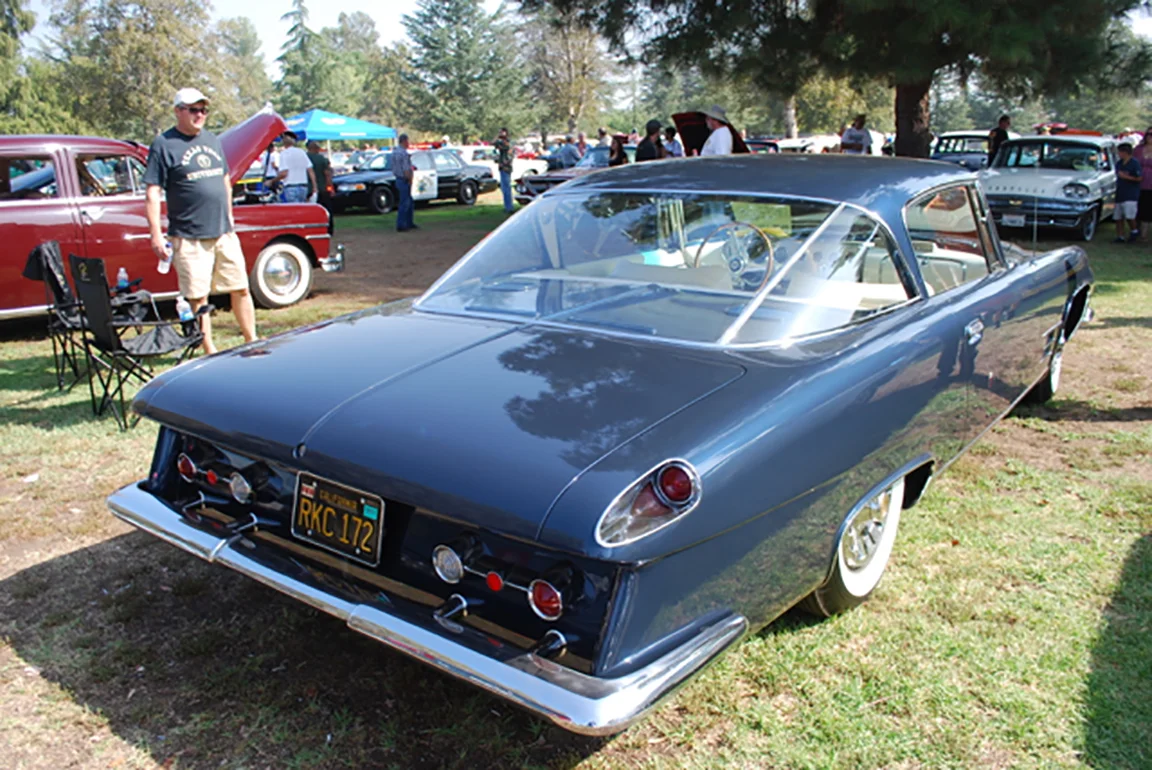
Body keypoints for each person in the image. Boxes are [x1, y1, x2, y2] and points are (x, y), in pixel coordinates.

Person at [144, 86, 257, 355]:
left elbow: (224, 180)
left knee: (240, 287)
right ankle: (210, 351)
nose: (200, 115)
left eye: (204, 110)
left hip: (223, 232)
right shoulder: (163, 144)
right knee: (198, 297)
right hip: (189, 235)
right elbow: (152, 192)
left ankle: (253, 342)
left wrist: (228, 215)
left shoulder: (212, 140)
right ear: (178, 111)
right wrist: (156, 235)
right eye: (194, 110)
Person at [277, 132, 315, 203]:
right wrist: (314, 187)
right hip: (303, 186)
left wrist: (272, 180)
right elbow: (310, 170)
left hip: (290, 186)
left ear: (283, 141)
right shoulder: (301, 152)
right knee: (302, 208)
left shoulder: (284, 154)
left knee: (293, 210)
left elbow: (284, 173)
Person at [1114, 142, 1141, 243]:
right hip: (1120, 192)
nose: (1119, 154)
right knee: (1118, 216)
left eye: (1120, 152)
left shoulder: (1134, 163)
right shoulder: (1119, 163)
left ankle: (1134, 230)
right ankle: (1120, 236)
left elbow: (1139, 178)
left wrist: (1127, 177)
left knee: (1130, 215)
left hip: (1131, 194)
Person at [306, 140, 334, 234]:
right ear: (316, 148)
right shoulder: (322, 159)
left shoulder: (305, 158)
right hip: (322, 188)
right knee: (326, 210)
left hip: (308, 189)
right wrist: (330, 187)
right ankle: (329, 229)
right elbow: (327, 174)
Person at [393, 133, 416, 232]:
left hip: (398, 178)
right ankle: (402, 224)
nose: (408, 143)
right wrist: (409, 178)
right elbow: (406, 168)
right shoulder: (403, 153)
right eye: (407, 141)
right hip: (404, 179)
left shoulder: (394, 152)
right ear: (404, 141)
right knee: (405, 202)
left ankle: (409, 222)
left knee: (408, 201)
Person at [1135, 128, 1152, 240]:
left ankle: (1144, 234)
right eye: (1149, 134)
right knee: (1137, 207)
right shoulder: (1138, 149)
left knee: (1147, 207)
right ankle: (1135, 230)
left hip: (1150, 184)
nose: (1150, 136)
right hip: (1137, 182)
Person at [494, 126, 514, 214]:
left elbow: (507, 153)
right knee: (504, 188)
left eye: (502, 132)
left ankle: (509, 207)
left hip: (506, 167)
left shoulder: (507, 143)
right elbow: (493, 143)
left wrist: (504, 163)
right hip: (502, 167)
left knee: (506, 188)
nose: (501, 134)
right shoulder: (501, 142)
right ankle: (507, 206)